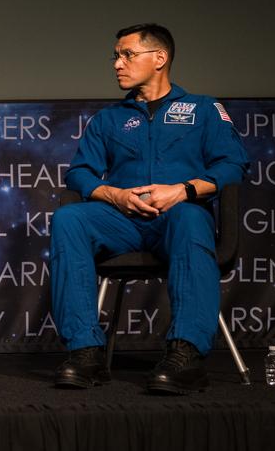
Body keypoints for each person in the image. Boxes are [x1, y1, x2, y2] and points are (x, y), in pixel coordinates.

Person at [50, 23, 248, 394]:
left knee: (191, 217)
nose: (117, 64)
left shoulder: (203, 108)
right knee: (68, 218)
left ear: (160, 58)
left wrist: (183, 190)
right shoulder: (108, 119)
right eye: (116, 56)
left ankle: (185, 354)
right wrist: (115, 195)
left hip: (177, 218)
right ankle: (86, 352)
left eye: (127, 55)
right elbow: (79, 174)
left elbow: (232, 165)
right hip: (122, 221)